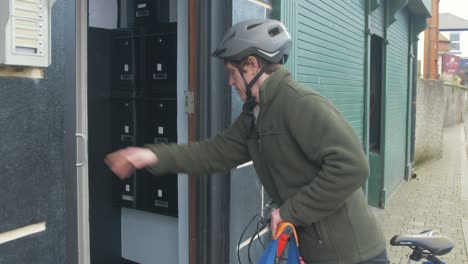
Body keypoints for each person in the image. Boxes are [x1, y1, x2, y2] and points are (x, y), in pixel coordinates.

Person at [105, 19, 388, 264]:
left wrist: (291, 211)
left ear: (251, 66)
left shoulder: (298, 103)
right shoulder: (255, 114)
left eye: (231, 72)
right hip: (315, 251)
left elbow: (353, 166)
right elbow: (212, 153)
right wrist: (149, 156)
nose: (230, 82)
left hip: (352, 253)